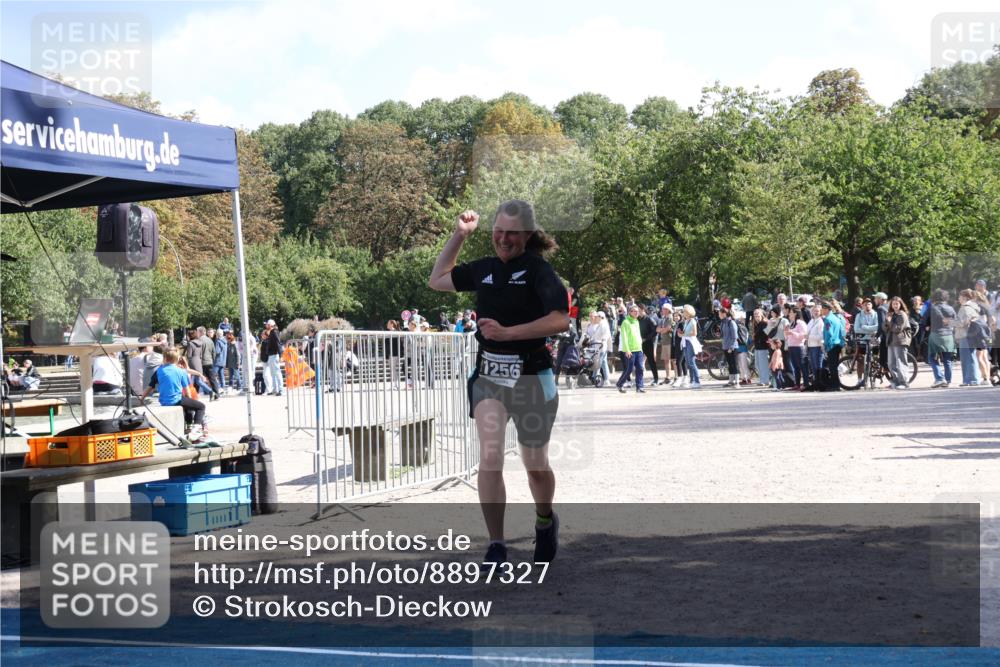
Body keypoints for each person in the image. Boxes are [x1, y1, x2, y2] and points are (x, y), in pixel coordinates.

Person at [428, 201, 568, 567]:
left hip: (532, 377)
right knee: (489, 457)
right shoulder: (484, 270)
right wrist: (459, 235)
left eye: (512, 233)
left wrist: (509, 333)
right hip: (490, 377)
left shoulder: (539, 271)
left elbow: (559, 320)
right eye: (498, 231)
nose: (503, 239)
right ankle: (496, 544)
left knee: (535, 463)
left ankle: (544, 520)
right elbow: (438, 279)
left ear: (527, 235)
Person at [142, 348, 207, 443]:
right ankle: (195, 429)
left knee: (187, 405)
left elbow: (150, 386)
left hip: (164, 401)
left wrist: (142, 398)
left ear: (164, 359)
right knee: (200, 406)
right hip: (176, 400)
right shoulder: (181, 371)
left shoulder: (159, 371)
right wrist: (190, 400)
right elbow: (187, 390)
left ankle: (188, 429)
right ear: (177, 359)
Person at [926, 289, 957, 388]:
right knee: (948, 359)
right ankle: (948, 380)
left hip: (936, 334)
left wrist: (927, 326)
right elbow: (955, 322)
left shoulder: (932, 308)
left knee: (932, 357)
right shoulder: (950, 308)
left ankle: (939, 379)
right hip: (948, 335)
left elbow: (924, 320)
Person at [954, 289, 983, 386]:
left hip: (966, 335)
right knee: (970, 357)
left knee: (967, 358)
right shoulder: (973, 306)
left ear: (965, 297)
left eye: (960, 296)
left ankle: (971, 380)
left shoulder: (966, 307)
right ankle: (971, 379)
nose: (958, 298)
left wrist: (950, 322)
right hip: (970, 335)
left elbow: (963, 322)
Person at [883, 296, 912, 389]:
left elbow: (897, 329)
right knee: (891, 363)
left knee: (901, 362)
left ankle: (904, 382)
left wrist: (889, 322)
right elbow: (884, 328)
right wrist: (887, 321)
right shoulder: (890, 314)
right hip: (891, 341)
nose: (895, 305)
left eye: (897, 304)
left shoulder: (902, 315)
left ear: (900, 304)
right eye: (893, 304)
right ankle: (895, 381)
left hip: (900, 341)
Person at [616, 304, 645, 393]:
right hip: (630, 350)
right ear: (630, 312)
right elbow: (624, 337)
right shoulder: (626, 322)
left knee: (640, 368)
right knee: (629, 369)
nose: (637, 313)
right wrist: (627, 350)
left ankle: (639, 387)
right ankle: (620, 384)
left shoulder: (636, 321)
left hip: (638, 349)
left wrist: (640, 347)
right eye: (635, 311)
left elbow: (638, 335)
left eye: (637, 311)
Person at [821, 301, 846, 391]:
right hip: (838, 344)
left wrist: (825, 344)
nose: (822, 310)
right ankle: (836, 384)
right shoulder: (835, 318)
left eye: (823, 309)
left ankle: (835, 385)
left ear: (827, 309)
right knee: (834, 366)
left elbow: (828, 333)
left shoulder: (828, 319)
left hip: (832, 345)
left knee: (832, 367)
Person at [784, 307, 808, 390]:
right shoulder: (791, 323)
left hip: (799, 347)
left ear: (795, 313)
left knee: (802, 366)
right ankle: (797, 384)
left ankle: (806, 383)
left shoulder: (800, 323)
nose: (789, 314)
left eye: (790, 312)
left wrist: (792, 333)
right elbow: (787, 337)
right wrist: (786, 332)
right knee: (795, 366)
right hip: (791, 346)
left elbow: (803, 335)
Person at [680, 304, 702, 389]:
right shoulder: (686, 321)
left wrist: (684, 334)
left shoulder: (693, 321)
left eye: (684, 312)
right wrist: (682, 334)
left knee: (692, 362)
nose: (683, 313)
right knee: (689, 363)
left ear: (688, 312)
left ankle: (697, 381)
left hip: (691, 342)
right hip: (685, 342)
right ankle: (692, 380)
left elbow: (695, 333)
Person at [261, 319, 284, 396]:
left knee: (277, 372)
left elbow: (278, 343)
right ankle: (275, 389)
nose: (266, 325)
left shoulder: (274, 332)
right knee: (273, 373)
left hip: (274, 354)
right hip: (271, 355)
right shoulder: (272, 332)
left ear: (270, 325)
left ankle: (280, 389)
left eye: (267, 324)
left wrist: (281, 355)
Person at [638, 305, 659, 386]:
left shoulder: (649, 319)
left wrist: (646, 338)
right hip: (638, 343)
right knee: (638, 362)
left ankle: (656, 379)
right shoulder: (637, 320)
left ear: (643, 310)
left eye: (639, 310)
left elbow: (655, 331)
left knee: (651, 361)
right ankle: (639, 380)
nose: (638, 312)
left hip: (648, 343)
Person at [806, 304, 826, 388]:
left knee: (818, 365)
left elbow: (821, 336)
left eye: (817, 311)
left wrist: (809, 336)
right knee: (813, 365)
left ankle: (819, 382)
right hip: (810, 345)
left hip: (817, 346)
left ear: (820, 312)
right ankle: (816, 382)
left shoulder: (820, 322)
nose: (815, 313)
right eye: (814, 311)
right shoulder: (811, 321)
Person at [719, 307, 739, 387]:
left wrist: (731, 347)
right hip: (725, 346)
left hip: (732, 347)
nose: (719, 315)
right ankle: (731, 381)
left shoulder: (731, 322)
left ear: (724, 314)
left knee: (734, 364)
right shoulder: (723, 322)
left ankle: (737, 382)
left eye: (720, 313)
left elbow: (735, 336)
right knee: (729, 364)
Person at [751, 308, 771, 387]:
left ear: (761, 315)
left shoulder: (764, 323)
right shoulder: (756, 324)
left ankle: (765, 380)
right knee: (757, 365)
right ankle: (763, 379)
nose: (756, 316)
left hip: (763, 347)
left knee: (763, 365)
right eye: (755, 315)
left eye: (757, 315)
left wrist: (757, 337)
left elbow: (767, 335)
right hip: (757, 347)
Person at [655, 304, 674, 385]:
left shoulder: (670, 318)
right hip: (664, 341)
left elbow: (667, 329)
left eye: (664, 309)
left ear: (668, 310)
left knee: (673, 360)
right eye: (662, 309)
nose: (662, 310)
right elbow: (657, 329)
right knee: (666, 360)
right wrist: (663, 330)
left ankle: (676, 376)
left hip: (669, 341)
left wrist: (662, 330)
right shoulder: (663, 318)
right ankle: (668, 377)